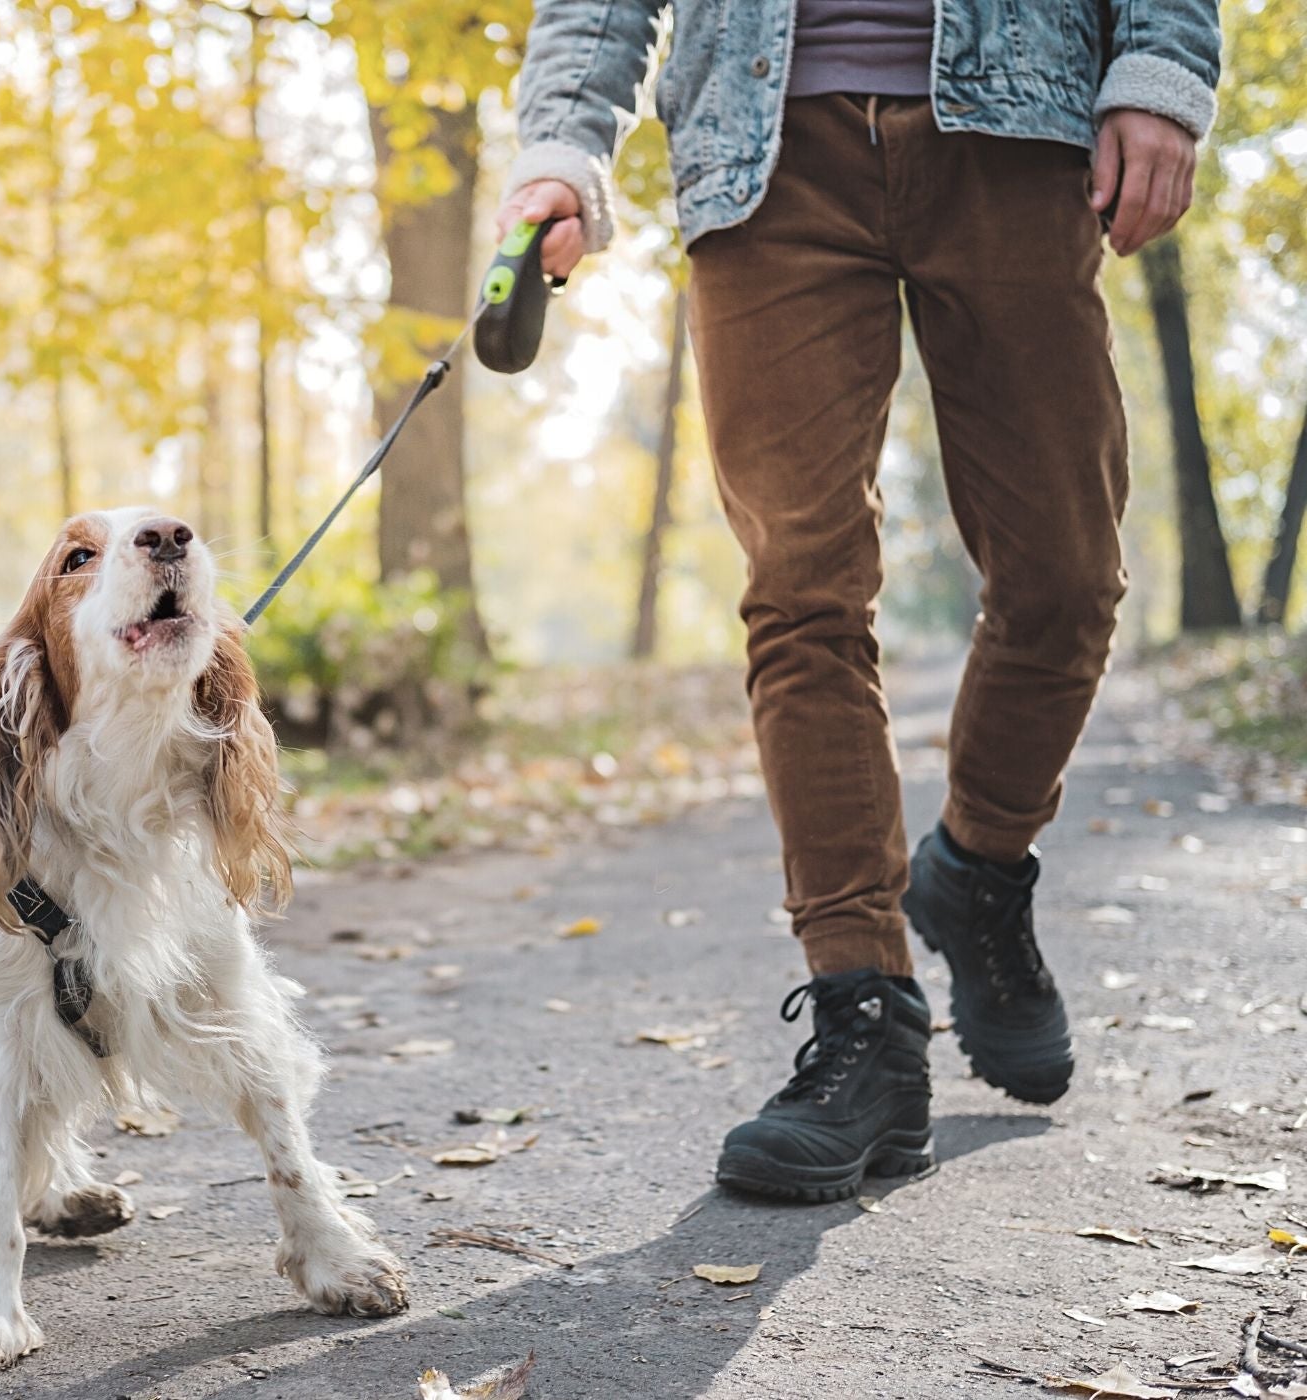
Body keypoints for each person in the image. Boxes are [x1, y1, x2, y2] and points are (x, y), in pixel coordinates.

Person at [496, 1, 1220, 1201]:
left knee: (1065, 577)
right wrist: (563, 145)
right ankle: (864, 1010)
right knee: (801, 594)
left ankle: (979, 868)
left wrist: (1159, 63)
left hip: (1016, 125)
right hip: (761, 150)